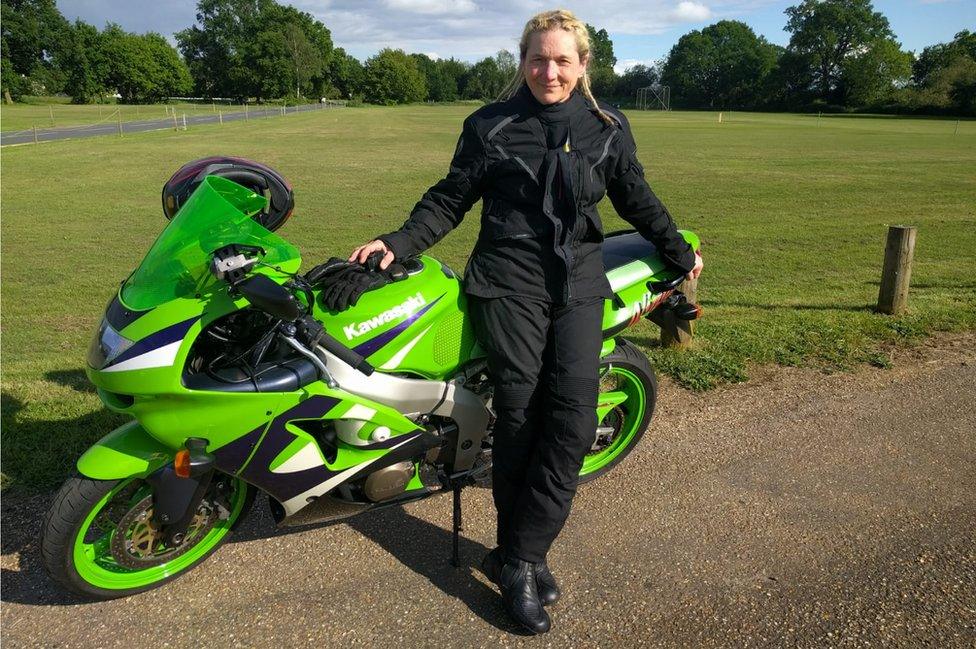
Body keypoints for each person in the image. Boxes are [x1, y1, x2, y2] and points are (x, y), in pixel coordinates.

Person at [349, 9, 703, 634]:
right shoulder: (490, 125)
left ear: (583, 65)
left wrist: (679, 253)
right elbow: (449, 198)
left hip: (579, 285)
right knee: (518, 415)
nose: (550, 71)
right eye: (538, 59)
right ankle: (522, 563)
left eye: (563, 60)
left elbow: (635, 197)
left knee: (570, 423)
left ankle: (520, 552)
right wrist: (398, 242)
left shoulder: (607, 127)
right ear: (522, 60)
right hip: (507, 282)